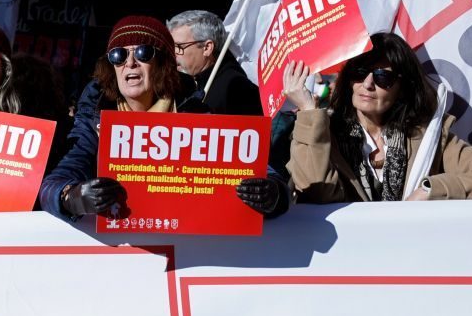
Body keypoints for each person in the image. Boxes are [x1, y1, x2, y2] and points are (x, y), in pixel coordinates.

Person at [40, 15, 288, 221]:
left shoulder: (195, 115)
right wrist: (72, 197)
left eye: (143, 52)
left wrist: (273, 195)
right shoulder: (95, 123)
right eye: (118, 55)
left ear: (163, 64)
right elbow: (53, 184)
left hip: (185, 258)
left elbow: (266, 175)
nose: (130, 63)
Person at [283, 32, 472, 203]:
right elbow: (315, 191)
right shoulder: (321, 132)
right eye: (360, 72)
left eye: (383, 77)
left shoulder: (428, 138)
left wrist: (431, 189)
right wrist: (307, 110)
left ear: (403, 88)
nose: (368, 84)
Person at [167, 10, 262, 116]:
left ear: (207, 48)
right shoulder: (192, 84)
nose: (173, 53)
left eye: (179, 46)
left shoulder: (236, 87)